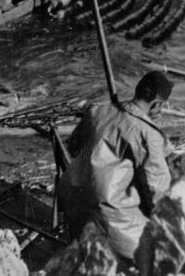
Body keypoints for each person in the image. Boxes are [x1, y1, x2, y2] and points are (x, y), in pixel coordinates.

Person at [58, 71, 173, 262]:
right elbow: (158, 193)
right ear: (156, 104)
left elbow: (73, 147)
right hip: (105, 215)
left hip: (71, 200)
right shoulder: (148, 133)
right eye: (161, 107)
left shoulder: (97, 111)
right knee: (159, 251)